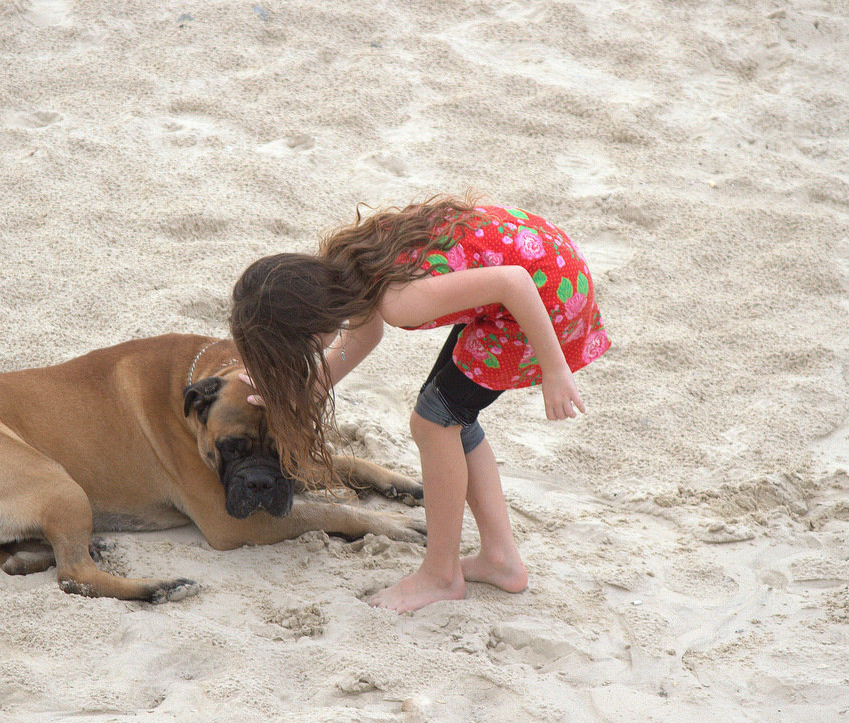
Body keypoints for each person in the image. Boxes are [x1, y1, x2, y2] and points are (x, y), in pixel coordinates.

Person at [228, 194, 610, 612]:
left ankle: (441, 576)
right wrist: (303, 393)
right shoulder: (348, 266)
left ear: (308, 327)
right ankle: (500, 560)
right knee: (450, 417)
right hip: (541, 268)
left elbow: (513, 281)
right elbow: (363, 337)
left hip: (544, 301)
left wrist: (555, 370)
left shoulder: (399, 298)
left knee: (434, 422)